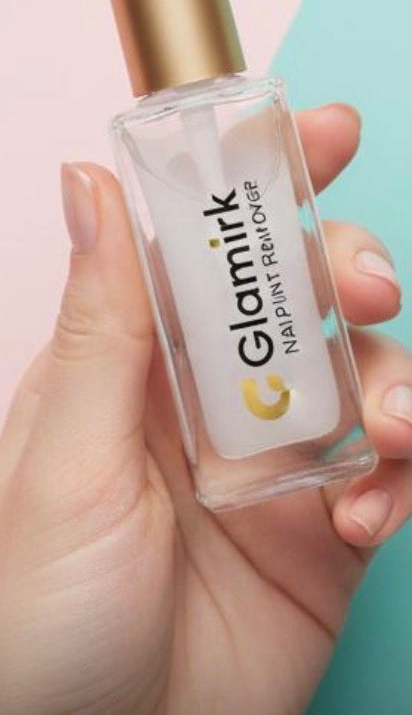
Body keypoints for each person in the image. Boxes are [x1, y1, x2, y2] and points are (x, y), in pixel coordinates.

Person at [0, 103, 410, 715]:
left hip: (254, 579)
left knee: (278, 270)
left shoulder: (255, 106)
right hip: (209, 518)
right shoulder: (147, 132)